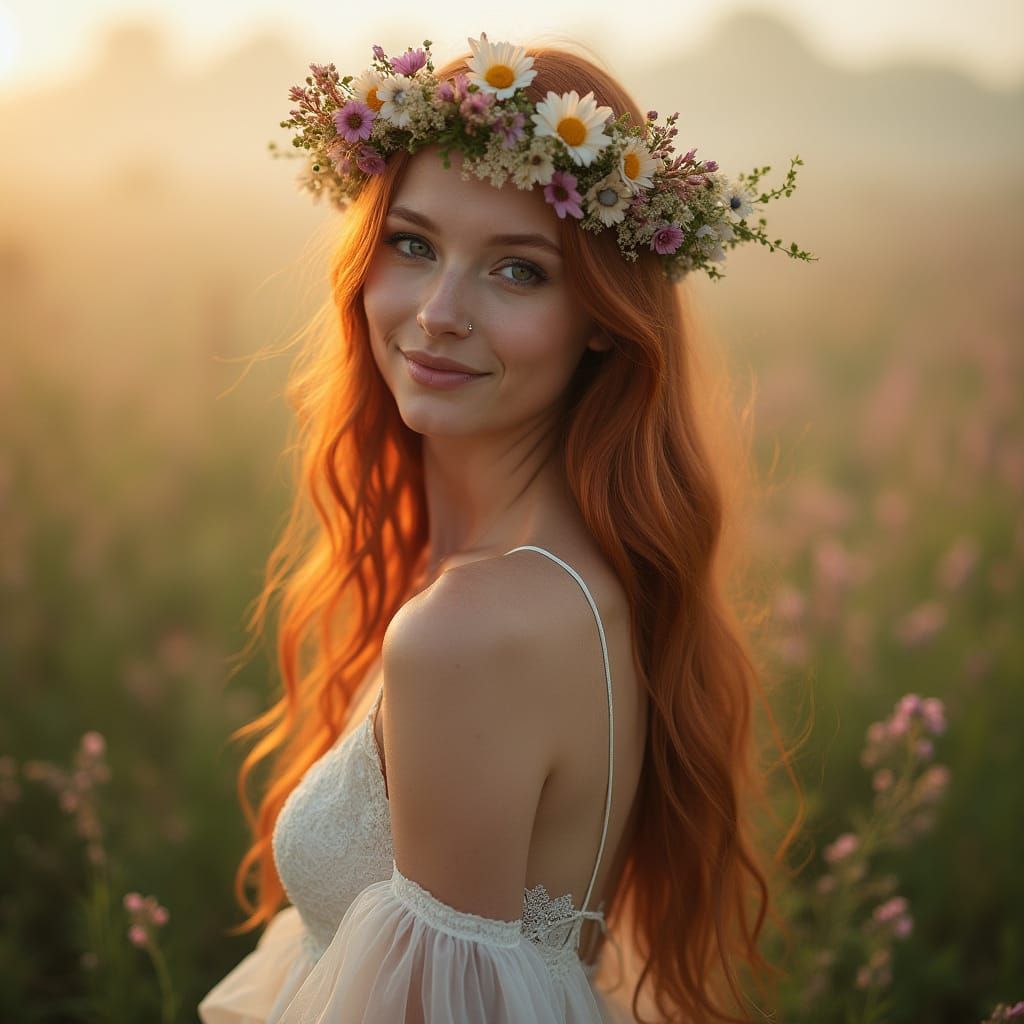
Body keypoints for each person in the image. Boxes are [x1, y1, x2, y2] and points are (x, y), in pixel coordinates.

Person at [199, 31, 811, 1024]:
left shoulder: (477, 628)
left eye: (517, 271)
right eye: (412, 244)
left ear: (604, 316)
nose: (439, 311)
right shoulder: (554, 571)